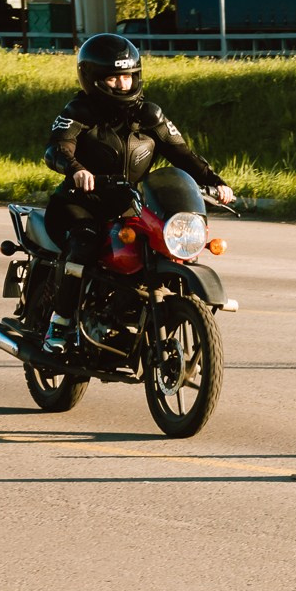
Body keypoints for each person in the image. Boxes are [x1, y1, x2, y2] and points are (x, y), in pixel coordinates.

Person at [38, 32, 235, 356]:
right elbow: (57, 148)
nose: (122, 84)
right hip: (80, 204)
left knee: (165, 248)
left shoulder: (150, 116)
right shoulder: (79, 112)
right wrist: (76, 170)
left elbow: (183, 155)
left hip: (129, 205)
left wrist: (216, 182)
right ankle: (59, 324)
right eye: (114, 78)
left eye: (128, 76)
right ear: (94, 79)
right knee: (84, 243)